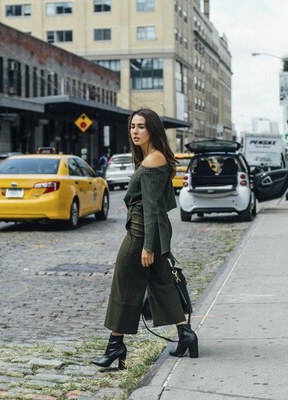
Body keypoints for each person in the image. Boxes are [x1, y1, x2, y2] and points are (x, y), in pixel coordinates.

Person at [92, 108, 198, 370]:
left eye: (141, 126)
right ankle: (186, 334)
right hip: (153, 231)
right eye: (132, 127)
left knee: (124, 284)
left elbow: (151, 207)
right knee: (162, 284)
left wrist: (148, 246)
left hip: (142, 234)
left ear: (152, 130)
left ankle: (115, 345)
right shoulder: (153, 158)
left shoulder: (153, 160)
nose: (135, 131)